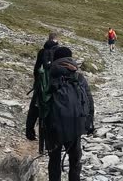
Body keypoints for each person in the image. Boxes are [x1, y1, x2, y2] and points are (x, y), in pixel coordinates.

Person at [25, 46, 95, 181]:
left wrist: (29, 127)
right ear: (71, 58)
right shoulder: (78, 76)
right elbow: (89, 101)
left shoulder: (47, 76)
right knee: (75, 160)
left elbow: (35, 104)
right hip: (75, 125)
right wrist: (89, 123)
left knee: (54, 161)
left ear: (55, 58)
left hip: (52, 126)